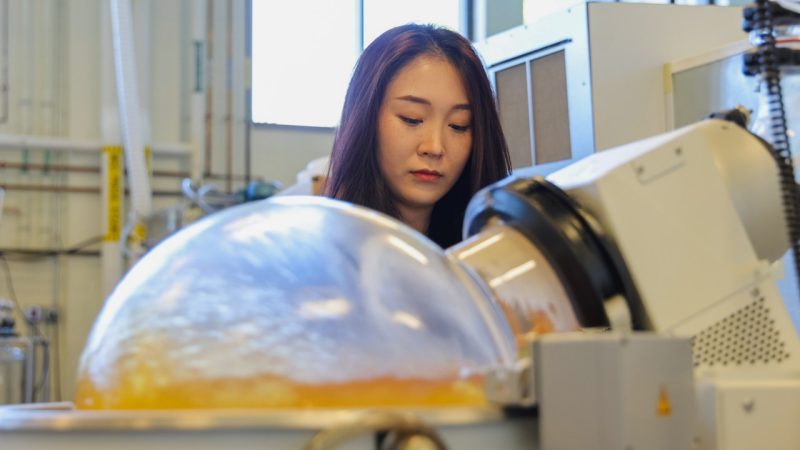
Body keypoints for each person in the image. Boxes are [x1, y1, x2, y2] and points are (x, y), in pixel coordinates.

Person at [325, 23, 511, 248]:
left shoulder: (487, 255)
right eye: (412, 119)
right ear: (366, 120)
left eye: (458, 125)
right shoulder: (326, 258)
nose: (434, 147)